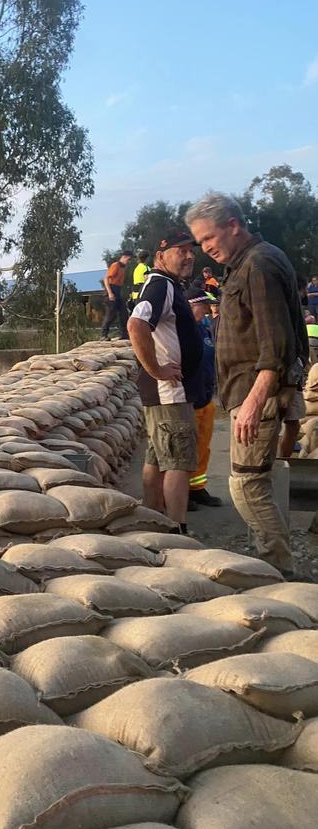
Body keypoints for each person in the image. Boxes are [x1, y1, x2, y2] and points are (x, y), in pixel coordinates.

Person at [186, 191, 309, 576]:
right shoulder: (248, 263)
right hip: (252, 390)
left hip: (258, 393)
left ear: (233, 226)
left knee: (246, 486)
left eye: (208, 238)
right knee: (264, 480)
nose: (205, 249)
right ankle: (271, 558)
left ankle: (277, 570)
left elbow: (276, 344)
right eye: (200, 242)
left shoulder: (258, 265)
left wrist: (255, 402)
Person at [127, 230, 203, 533]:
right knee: (179, 461)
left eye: (190, 251)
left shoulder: (166, 285)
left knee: (158, 456)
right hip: (169, 391)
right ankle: (176, 527)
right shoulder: (161, 285)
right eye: (180, 251)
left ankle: (152, 517)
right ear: (160, 256)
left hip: (165, 391)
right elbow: (136, 325)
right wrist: (156, 370)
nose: (188, 256)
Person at [185, 288, 222, 509]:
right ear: (191, 305)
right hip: (190, 398)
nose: (209, 309)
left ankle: (197, 488)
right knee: (186, 449)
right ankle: (182, 491)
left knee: (203, 447)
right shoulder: (183, 330)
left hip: (206, 396)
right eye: (204, 306)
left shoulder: (204, 329)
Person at [101, 250, 133, 340]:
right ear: (124, 257)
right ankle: (104, 334)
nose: (129, 262)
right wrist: (110, 293)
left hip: (118, 290)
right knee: (111, 313)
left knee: (124, 313)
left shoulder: (124, 268)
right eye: (128, 259)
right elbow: (106, 278)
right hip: (111, 289)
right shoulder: (115, 265)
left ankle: (124, 334)